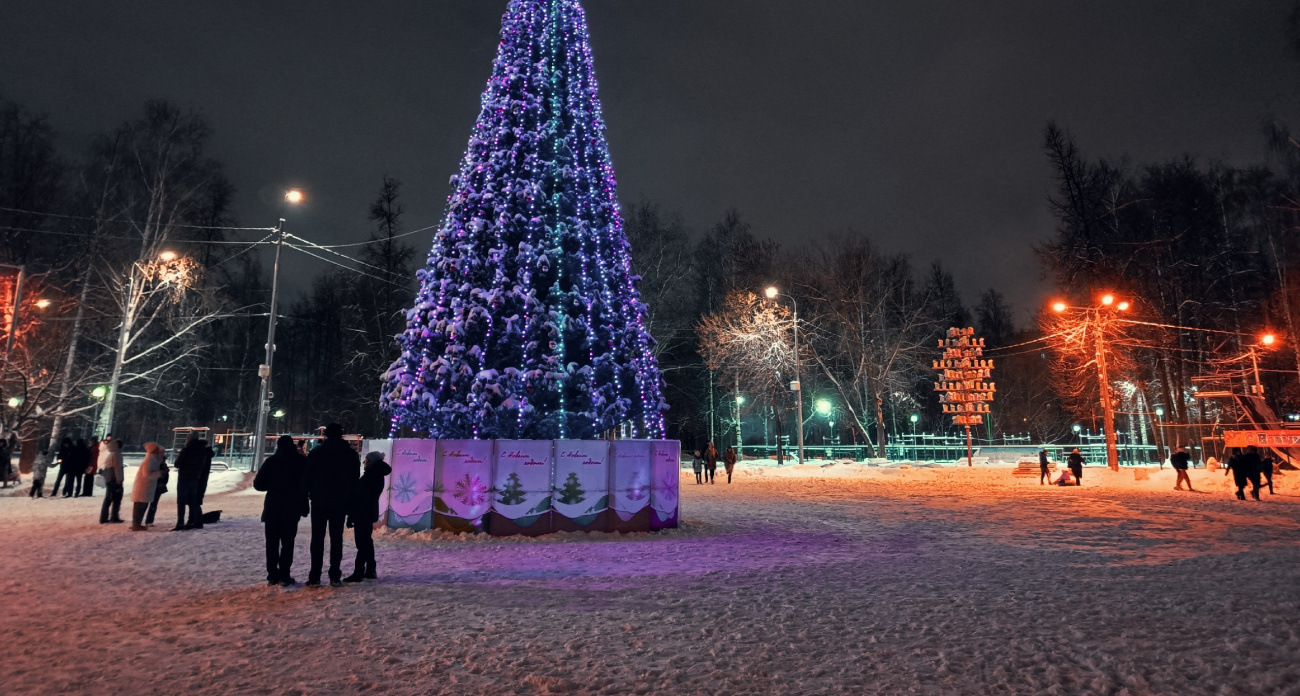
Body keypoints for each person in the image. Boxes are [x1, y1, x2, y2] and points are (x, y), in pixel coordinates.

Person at [305, 424, 360, 587]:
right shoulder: (350, 454)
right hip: (340, 501)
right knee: (336, 538)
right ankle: (335, 575)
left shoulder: (317, 452)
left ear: (326, 434)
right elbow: (354, 481)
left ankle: (315, 576)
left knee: (317, 538)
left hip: (319, 499)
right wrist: (351, 502)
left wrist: (306, 495)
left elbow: (307, 477)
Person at [253, 435, 310, 587]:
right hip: (292, 507)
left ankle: (272, 575)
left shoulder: (271, 461)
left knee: (272, 543)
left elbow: (258, 484)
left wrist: (272, 486)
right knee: (288, 543)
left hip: (273, 506)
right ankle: (285, 574)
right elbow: (307, 484)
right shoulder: (301, 462)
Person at [344, 451, 392, 583]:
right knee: (366, 541)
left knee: (362, 543)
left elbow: (360, 499)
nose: (364, 461)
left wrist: (352, 515)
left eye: (366, 459)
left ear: (371, 461)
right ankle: (370, 569)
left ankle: (359, 572)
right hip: (369, 512)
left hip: (362, 513)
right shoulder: (377, 475)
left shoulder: (370, 476)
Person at [173, 435, 208, 530]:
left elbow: (177, 464)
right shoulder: (202, 450)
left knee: (181, 501)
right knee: (192, 500)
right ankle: (192, 521)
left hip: (184, 477)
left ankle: (180, 522)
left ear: (189, 440)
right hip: (195, 478)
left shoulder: (186, 450)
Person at [130, 442, 166, 530]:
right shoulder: (149, 459)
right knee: (140, 504)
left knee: (142, 504)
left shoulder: (153, 458)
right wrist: (160, 473)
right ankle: (136, 523)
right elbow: (147, 474)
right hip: (144, 485)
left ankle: (136, 523)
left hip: (147, 485)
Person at [98, 437, 125, 523]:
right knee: (116, 499)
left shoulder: (111, 454)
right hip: (114, 479)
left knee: (109, 498)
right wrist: (119, 480)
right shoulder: (117, 455)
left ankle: (104, 517)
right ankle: (113, 517)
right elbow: (117, 468)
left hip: (109, 479)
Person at [145, 460, 169, 526]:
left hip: (153, 485)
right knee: (153, 504)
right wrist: (163, 483)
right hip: (158, 486)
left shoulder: (154, 462)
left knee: (147, 503)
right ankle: (149, 521)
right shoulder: (162, 464)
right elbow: (166, 476)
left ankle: (145, 520)